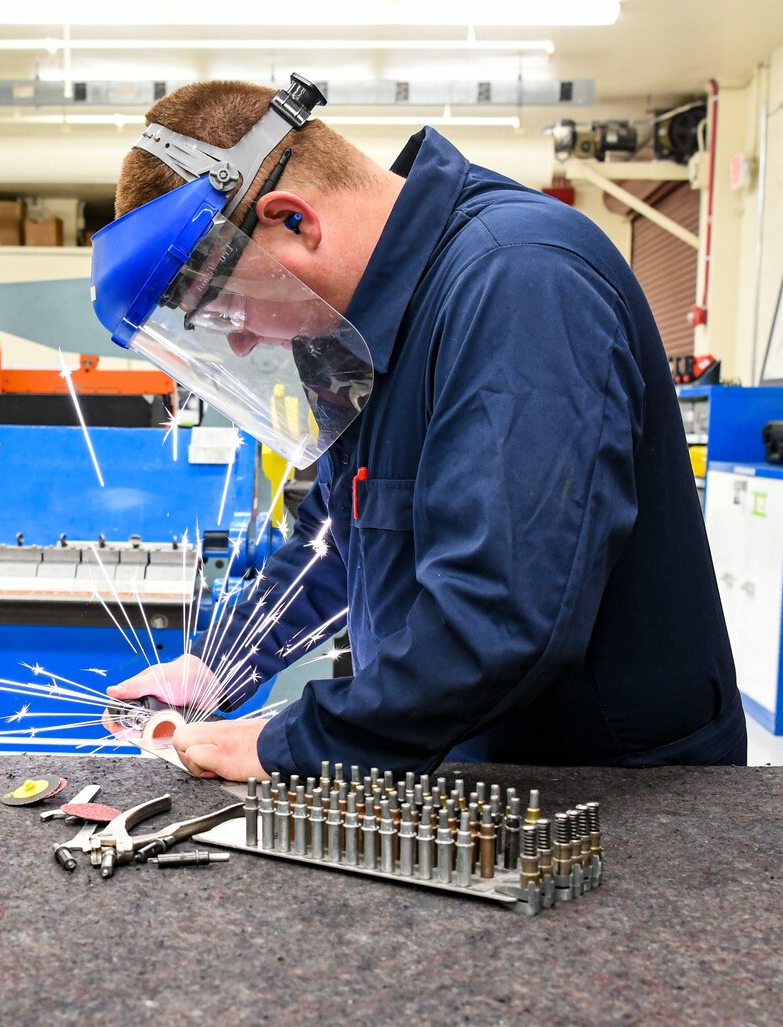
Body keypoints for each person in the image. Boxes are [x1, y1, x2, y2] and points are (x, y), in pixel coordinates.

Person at [88, 75, 743, 781]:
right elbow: (338, 536)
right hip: (461, 766)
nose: (242, 343)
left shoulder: (519, 282)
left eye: (229, 308)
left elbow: (502, 615)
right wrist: (219, 664)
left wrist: (292, 743)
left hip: (612, 791)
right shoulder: (360, 338)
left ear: (293, 220)